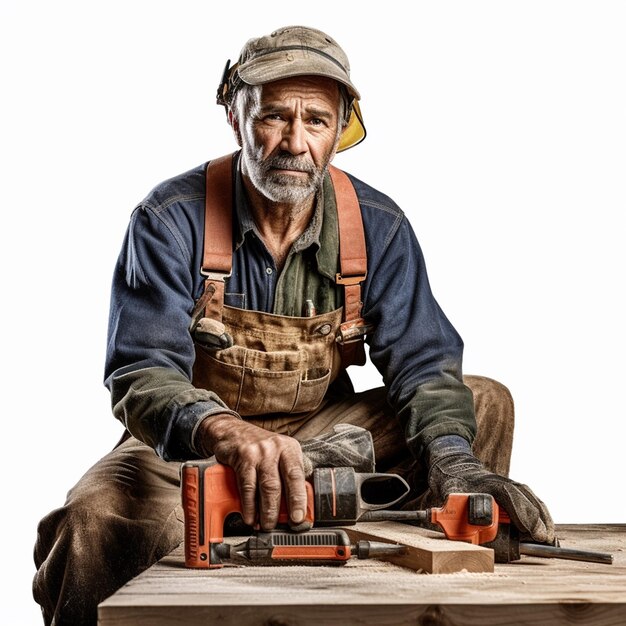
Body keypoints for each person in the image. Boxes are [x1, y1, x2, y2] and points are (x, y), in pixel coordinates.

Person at [33, 25, 555, 625]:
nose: (295, 142)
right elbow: (140, 371)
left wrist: (455, 462)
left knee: (484, 401)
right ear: (235, 115)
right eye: (274, 117)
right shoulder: (170, 219)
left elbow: (424, 364)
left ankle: (447, 573)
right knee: (94, 520)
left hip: (328, 438)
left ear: (339, 131)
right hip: (190, 451)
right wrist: (226, 433)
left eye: (316, 122)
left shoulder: (377, 226)